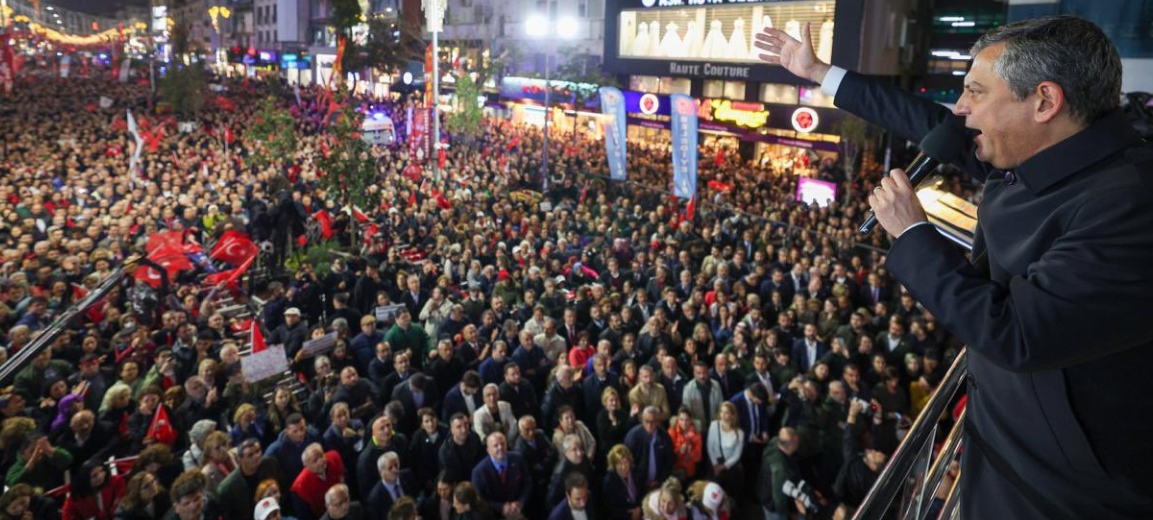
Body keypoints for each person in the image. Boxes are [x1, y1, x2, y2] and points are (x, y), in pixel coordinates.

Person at [757, 14, 1153, 518]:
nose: (961, 109)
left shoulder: (1129, 205)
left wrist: (913, 234)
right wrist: (819, 73)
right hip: (1007, 449)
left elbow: (1018, 333)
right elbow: (933, 125)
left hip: (1062, 492)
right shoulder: (1055, 149)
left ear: (1044, 102)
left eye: (975, 92)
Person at [469, 432, 532, 517]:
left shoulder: (518, 459)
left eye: (502, 444)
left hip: (519, 510)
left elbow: (528, 483)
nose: (500, 447)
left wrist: (521, 502)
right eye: (496, 445)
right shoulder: (479, 472)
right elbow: (479, 499)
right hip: (493, 515)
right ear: (488, 450)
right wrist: (501, 507)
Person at [603, 445, 642, 520]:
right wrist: (630, 515)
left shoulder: (637, 473)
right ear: (614, 465)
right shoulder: (609, 482)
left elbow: (643, 494)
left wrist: (639, 509)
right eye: (619, 463)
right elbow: (610, 508)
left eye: (626, 462)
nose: (623, 467)